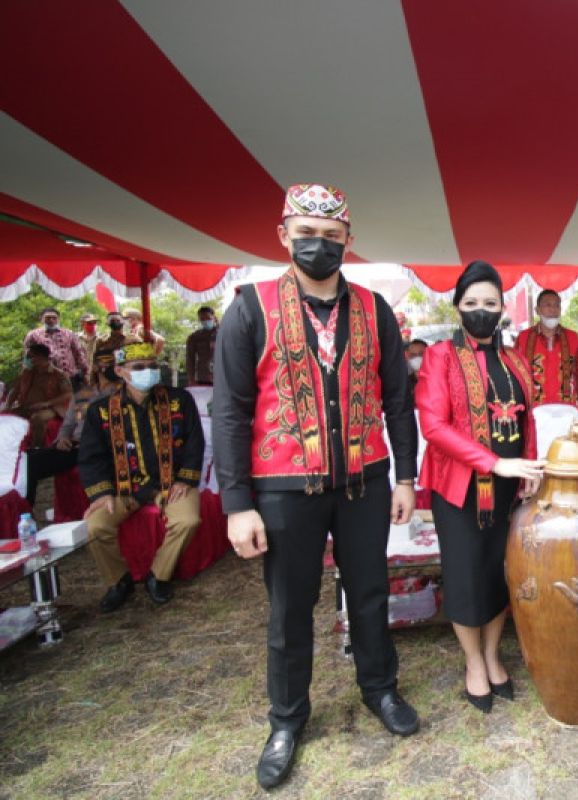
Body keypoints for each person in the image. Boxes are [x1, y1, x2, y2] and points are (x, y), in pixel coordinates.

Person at [213, 184, 421, 790]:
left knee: (371, 594)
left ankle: (380, 690)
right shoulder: (249, 308)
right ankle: (286, 721)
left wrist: (406, 474)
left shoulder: (376, 309)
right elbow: (230, 412)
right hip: (282, 486)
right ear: (283, 235)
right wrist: (235, 505)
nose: (319, 246)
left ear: (349, 242)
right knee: (289, 609)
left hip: (365, 479)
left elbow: (398, 400)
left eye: (331, 237)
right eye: (306, 234)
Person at [414, 260, 544, 714]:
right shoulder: (439, 357)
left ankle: (492, 654)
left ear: (504, 308)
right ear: (457, 309)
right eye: (471, 303)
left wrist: (525, 468)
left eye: (490, 303)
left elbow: (528, 417)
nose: (481, 311)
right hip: (460, 489)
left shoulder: (515, 359)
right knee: (467, 576)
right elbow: (433, 426)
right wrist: (493, 463)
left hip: (509, 489)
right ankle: (473, 661)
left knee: (498, 572)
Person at [78, 342, 204, 611]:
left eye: (152, 366)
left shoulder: (179, 399)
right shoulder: (100, 411)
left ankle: (158, 576)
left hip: (169, 485)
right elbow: (91, 457)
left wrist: (185, 479)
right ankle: (119, 581)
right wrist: (101, 493)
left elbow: (195, 443)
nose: (148, 372)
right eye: (139, 368)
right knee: (95, 527)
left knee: (188, 519)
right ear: (120, 371)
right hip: (124, 489)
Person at [24, 383, 103, 504]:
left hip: (90, 447)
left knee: (29, 465)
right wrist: (62, 438)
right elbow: (68, 425)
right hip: (72, 444)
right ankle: (23, 513)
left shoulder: (117, 394)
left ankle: (24, 512)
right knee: (24, 458)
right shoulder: (82, 395)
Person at [515, 290, 578, 416]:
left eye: (557, 305)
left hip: (566, 409)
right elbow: (515, 376)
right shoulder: (523, 338)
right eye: (547, 305)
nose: (553, 309)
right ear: (537, 310)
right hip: (534, 411)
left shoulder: (572, 337)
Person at [3, 343, 73, 446]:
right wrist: (8, 405)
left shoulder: (58, 375)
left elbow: (68, 394)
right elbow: (15, 390)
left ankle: (37, 448)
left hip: (50, 408)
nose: (27, 359)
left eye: (29, 356)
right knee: (5, 416)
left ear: (40, 357)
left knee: (37, 418)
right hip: (26, 407)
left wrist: (47, 403)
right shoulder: (27, 372)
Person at [23, 307, 88, 387]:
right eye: (48, 318)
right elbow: (28, 357)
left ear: (58, 319)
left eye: (54, 318)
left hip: (70, 377)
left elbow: (79, 353)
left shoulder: (69, 333)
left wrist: (85, 372)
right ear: (41, 319)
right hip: (46, 380)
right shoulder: (33, 335)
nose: (51, 320)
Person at [185, 306, 219, 386]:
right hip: (203, 378)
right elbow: (190, 360)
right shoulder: (194, 337)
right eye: (202, 319)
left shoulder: (224, 334)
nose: (205, 321)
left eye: (208, 318)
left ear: (214, 317)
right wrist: (191, 379)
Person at [78, 313, 100, 382]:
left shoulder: (102, 338)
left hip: (98, 374)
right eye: (89, 323)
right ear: (82, 324)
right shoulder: (76, 338)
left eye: (94, 322)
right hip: (82, 375)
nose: (92, 325)